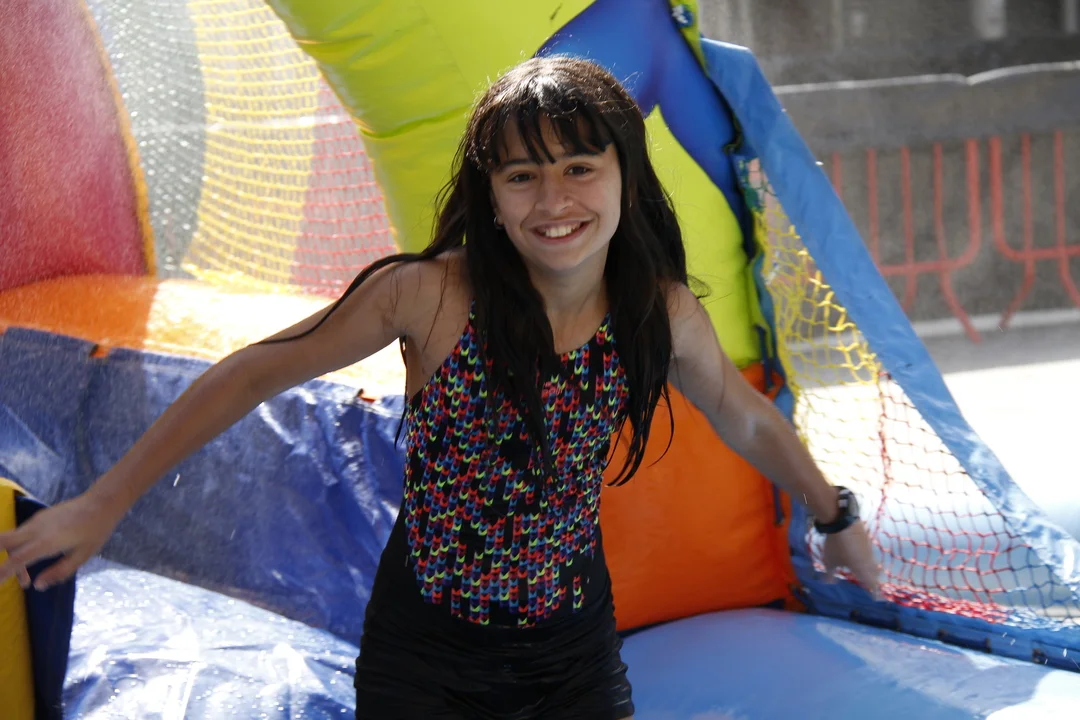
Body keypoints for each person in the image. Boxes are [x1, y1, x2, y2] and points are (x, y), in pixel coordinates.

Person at [0, 55, 880, 719]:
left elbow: (744, 418)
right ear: (491, 195)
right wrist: (103, 503)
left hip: (571, 648)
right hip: (427, 652)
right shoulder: (428, 296)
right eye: (521, 175)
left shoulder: (656, 311)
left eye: (580, 166)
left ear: (625, 175)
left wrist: (832, 514)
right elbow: (253, 372)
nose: (554, 199)